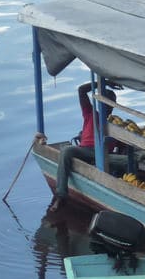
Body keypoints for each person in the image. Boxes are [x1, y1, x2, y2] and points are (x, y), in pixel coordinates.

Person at [47, 81, 120, 212]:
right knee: (66, 151)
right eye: (107, 103)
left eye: (112, 104)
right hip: (85, 151)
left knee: (127, 162)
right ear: (101, 103)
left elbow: (121, 145)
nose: (109, 107)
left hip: (104, 156)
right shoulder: (91, 113)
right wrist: (104, 82)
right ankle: (61, 196)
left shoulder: (115, 124)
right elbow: (81, 90)